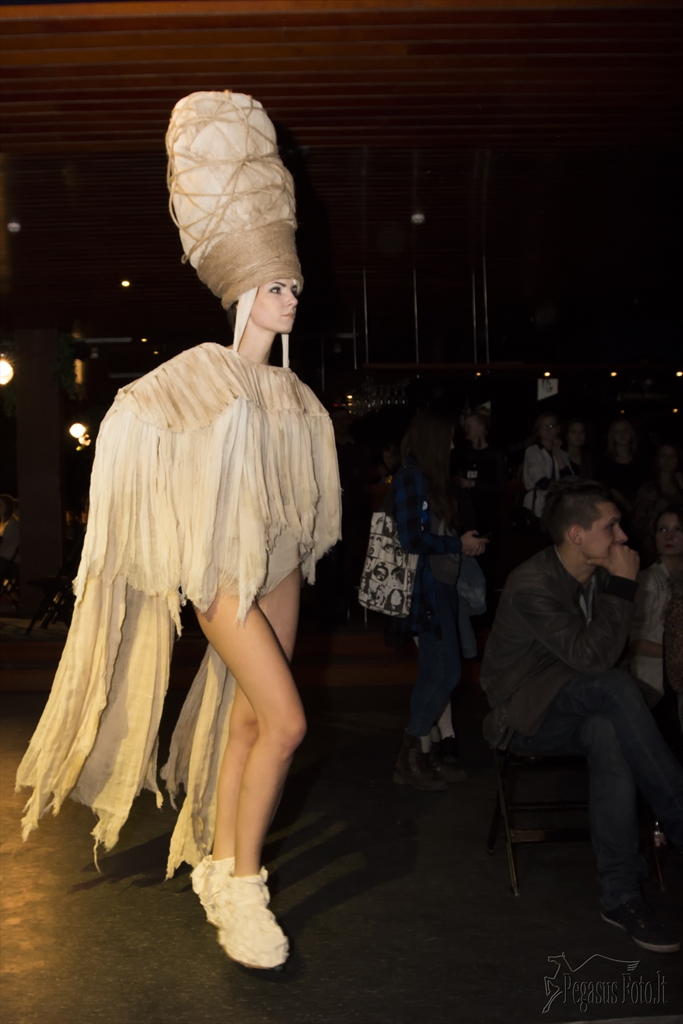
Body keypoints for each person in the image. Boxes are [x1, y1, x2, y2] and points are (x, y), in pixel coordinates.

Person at [15, 91, 341, 972]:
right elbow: (133, 419)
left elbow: (305, 493)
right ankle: (243, 884)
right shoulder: (195, 375)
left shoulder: (296, 395)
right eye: (276, 287)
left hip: (278, 567)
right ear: (243, 290)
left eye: (294, 287)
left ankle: (220, 868)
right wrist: (162, 531)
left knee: (249, 722)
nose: (290, 300)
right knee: (287, 723)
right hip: (222, 579)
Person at [480, 478, 683, 953]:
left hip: (583, 702)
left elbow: (603, 661)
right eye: (611, 527)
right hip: (524, 713)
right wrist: (623, 586)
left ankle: (620, 896)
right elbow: (594, 660)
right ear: (576, 534)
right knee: (612, 689)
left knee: (608, 731)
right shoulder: (532, 585)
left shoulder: (595, 576)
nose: (623, 537)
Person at [392, 409, 488, 790]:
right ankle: (413, 754)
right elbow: (411, 538)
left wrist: (461, 544)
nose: (452, 446)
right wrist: (457, 545)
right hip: (426, 587)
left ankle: (420, 756)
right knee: (446, 671)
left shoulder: (427, 478)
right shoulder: (411, 477)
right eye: (448, 439)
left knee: (438, 671)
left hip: (439, 584)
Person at [630, 503, 683, 702]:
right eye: (662, 529)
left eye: (677, 529)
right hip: (653, 683)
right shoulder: (647, 580)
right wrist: (674, 653)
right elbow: (632, 642)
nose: (669, 536)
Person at [523, 412, 573, 520]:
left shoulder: (563, 454)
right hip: (538, 501)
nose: (548, 430)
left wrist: (558, 454)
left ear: (558, 429)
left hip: (558, 502)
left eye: (551, 426)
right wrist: (562, 486)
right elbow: (541, 482)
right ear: (539, 431)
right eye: (544, 426)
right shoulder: (533, 451)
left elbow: (569, 479)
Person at [633, 444, 683, 547]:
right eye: (664, 455)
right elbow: (637, 523)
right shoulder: (647, 489)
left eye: (673, 456)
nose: (668, 460)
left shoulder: (680, 488)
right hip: (652, 546)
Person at [595, 418, 644, 512]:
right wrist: (627, 506)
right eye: (617, 432)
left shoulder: (640, 460)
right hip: (614, 508)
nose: (622, 434)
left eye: (625, 430)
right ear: (612, 436)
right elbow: (608, 488)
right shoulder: (604, 462)